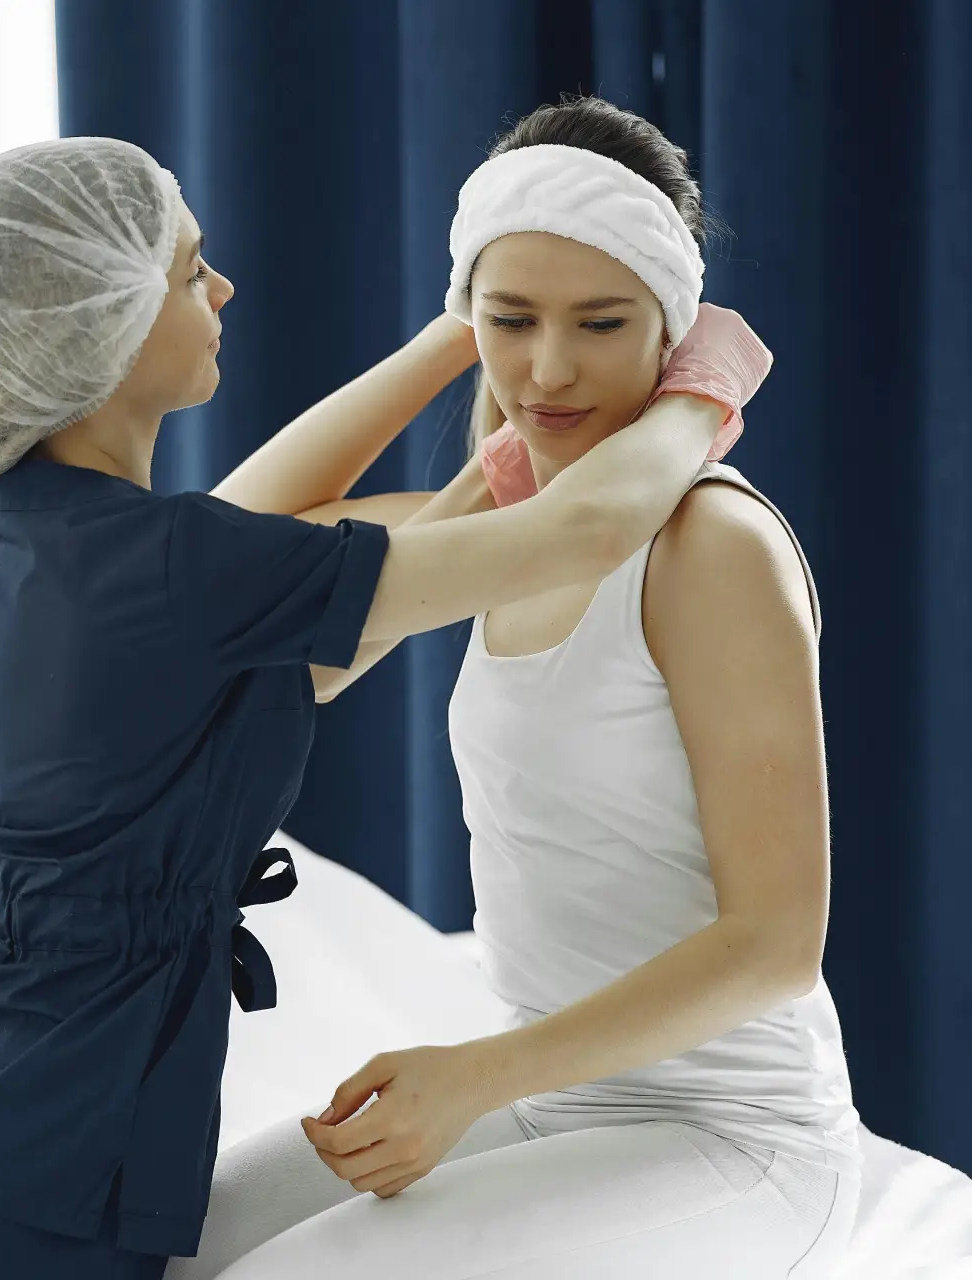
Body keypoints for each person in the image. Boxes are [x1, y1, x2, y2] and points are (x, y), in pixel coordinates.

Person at [0, 134, 762, 1279]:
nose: (221, 288)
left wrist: (489, 326)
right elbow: (580, 528)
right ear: (103, 316)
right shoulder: (175, 570)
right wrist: (704, 375)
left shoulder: (12, 534)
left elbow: (336, 556)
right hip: (23, 1180)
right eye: (186, 270)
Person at [172, 99, 860, 1280]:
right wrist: (453, 332)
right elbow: (219, 555)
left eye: (600, 321)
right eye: (511, 318)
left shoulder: (709, 548)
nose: (547, 369)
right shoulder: (487, 532)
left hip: (732, 1137)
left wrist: (472, 1073)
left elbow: (775, 942)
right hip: (553, 1106)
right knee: (164, 1251)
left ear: (672, 328)